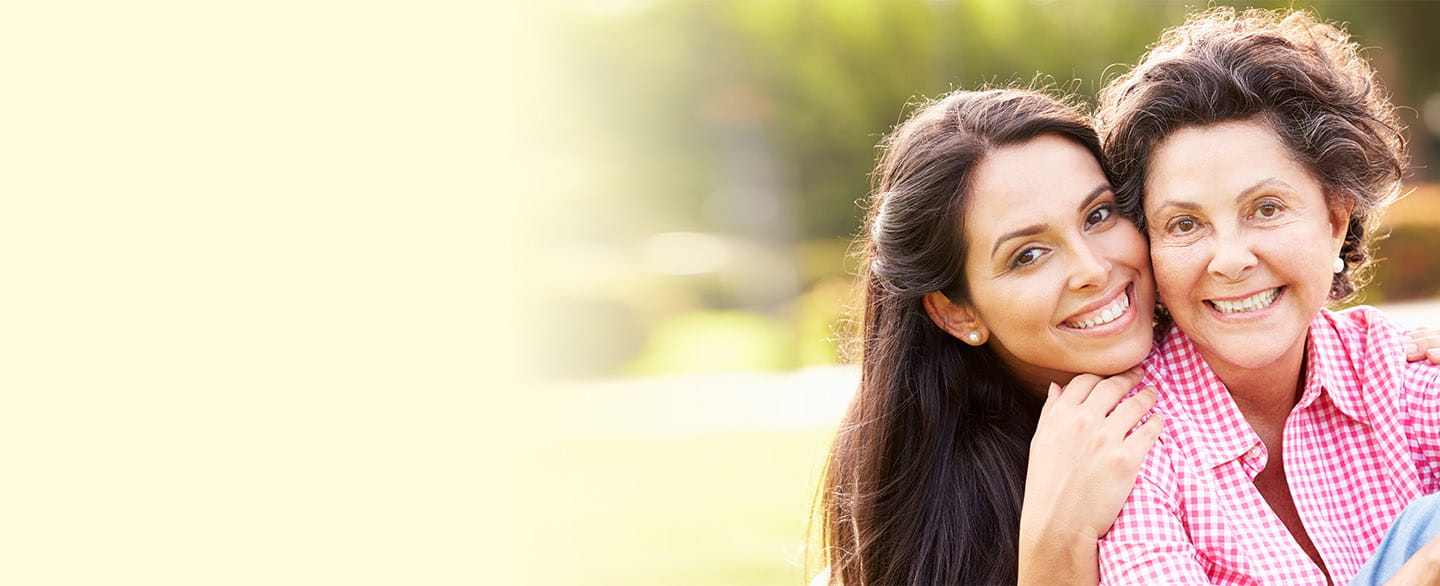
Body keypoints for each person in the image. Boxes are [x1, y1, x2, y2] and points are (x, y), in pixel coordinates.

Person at [1093, 8, 1440, 584]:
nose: (1230, 260)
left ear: (1335, 220)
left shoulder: (1393, 372)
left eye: (1267, 208)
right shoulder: (1129, 434)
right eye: (1184, 224)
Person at [814, 87, 1164, 585]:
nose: (1093, 268)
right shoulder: (939, 525)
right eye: (1028, 255)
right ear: (956, 313)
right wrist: (1053, 546)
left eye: (1098, 215)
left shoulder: (1223, 373)